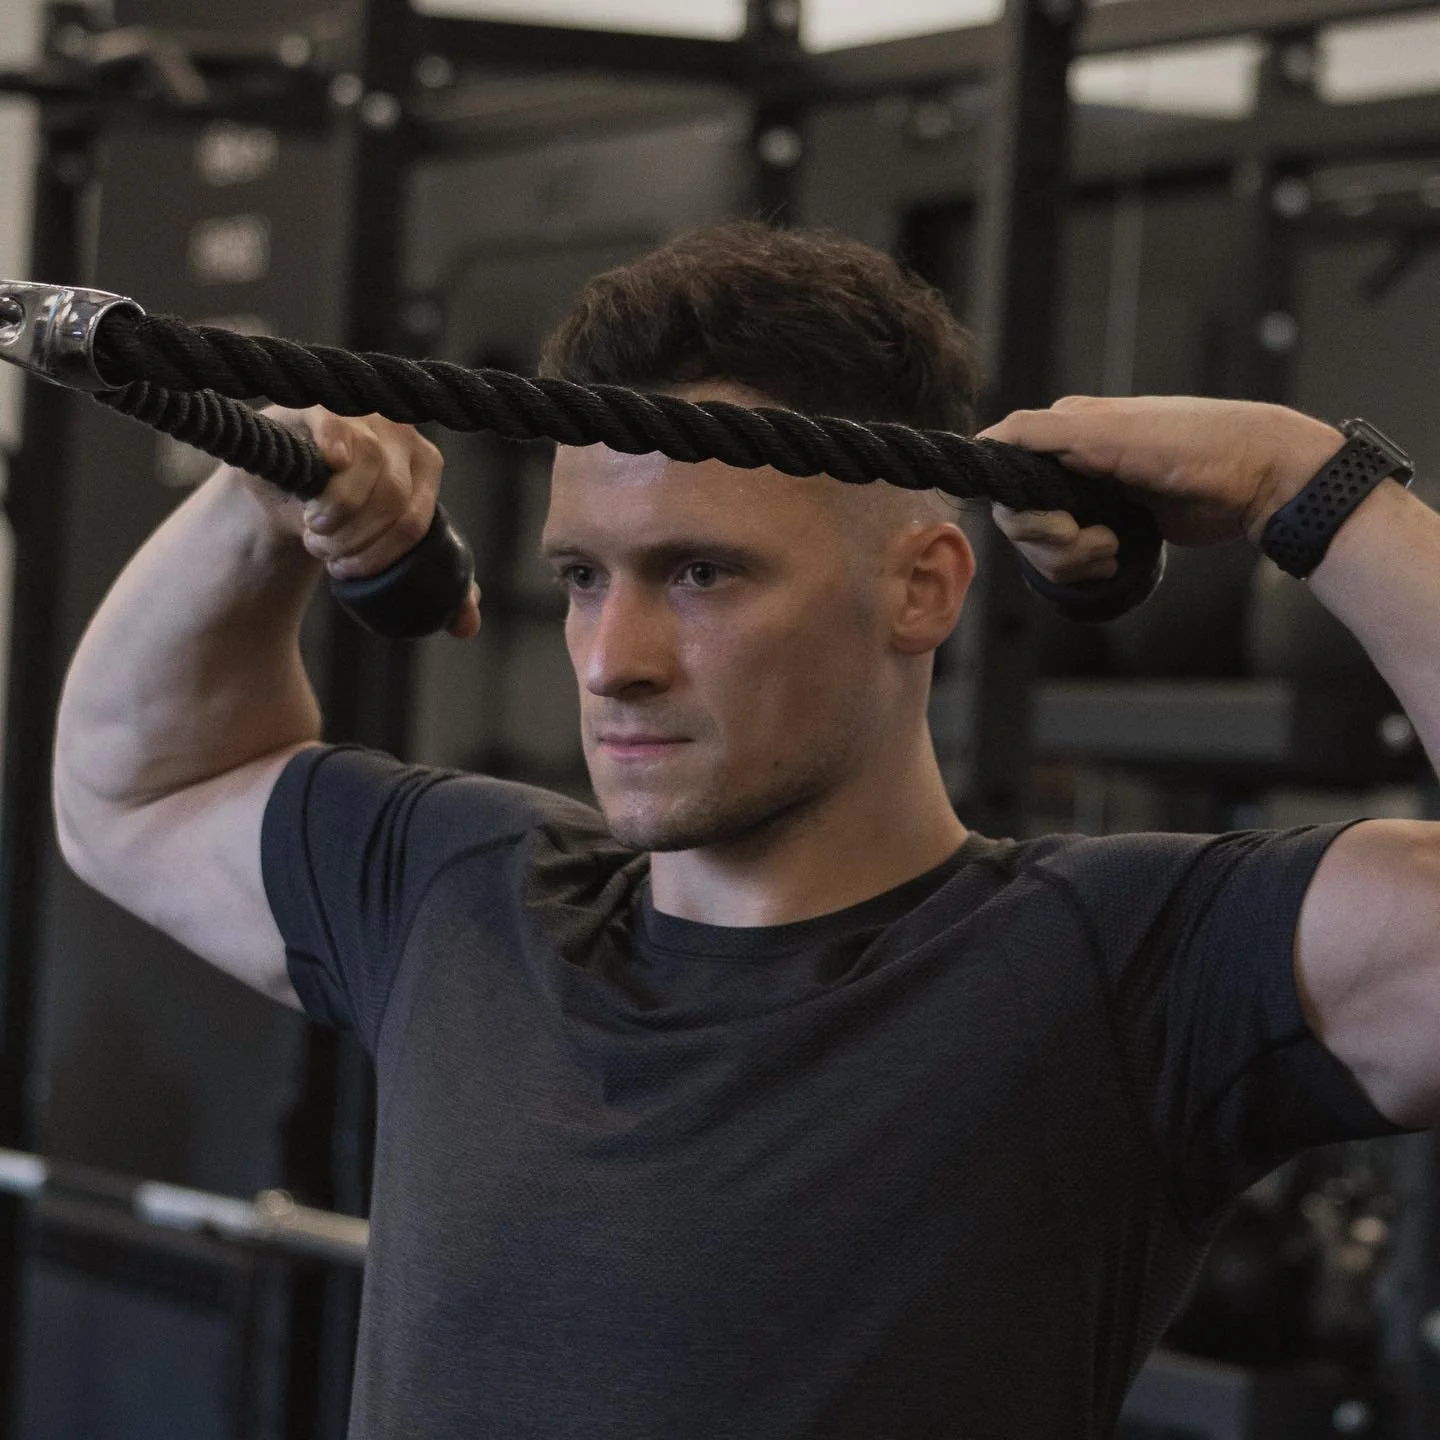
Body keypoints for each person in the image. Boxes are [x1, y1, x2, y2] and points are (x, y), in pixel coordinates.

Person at [52, 222, 1440, 1440]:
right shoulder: (461, 893)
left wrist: (1306, 481)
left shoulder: (1125, 970)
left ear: (924, 588)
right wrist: (262, 504)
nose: (611, 658)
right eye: (585, 578)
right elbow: (134, 790)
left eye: (700, 574)